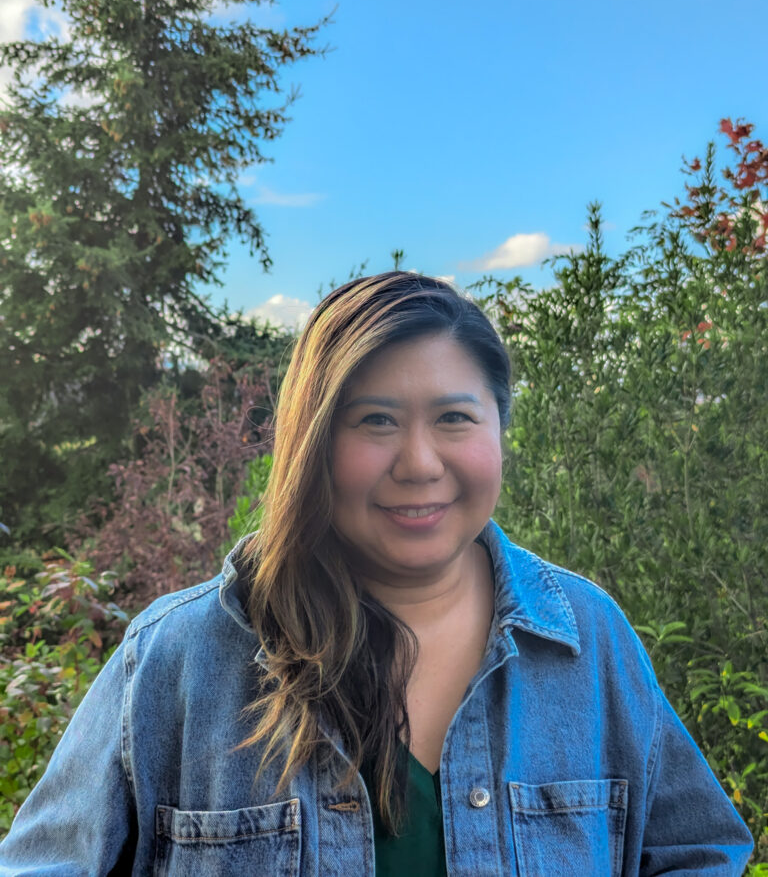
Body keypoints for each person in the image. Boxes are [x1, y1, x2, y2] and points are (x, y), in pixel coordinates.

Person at [0, 271, 754, 875]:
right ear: (313, 444)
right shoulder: (178, 658)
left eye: (455, 419)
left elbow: (702, 854)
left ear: (500, 432)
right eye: (376, 421)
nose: (419, 463)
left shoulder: (587, 640)